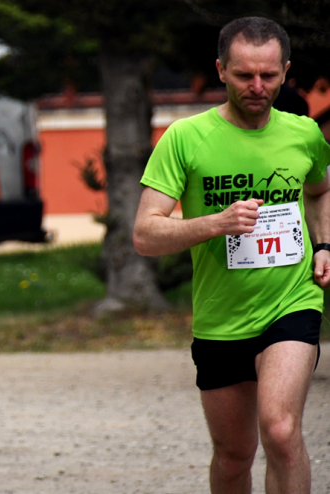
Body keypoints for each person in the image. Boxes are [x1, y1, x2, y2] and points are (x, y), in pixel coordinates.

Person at [133, 17, 330, 494]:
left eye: (268, 75)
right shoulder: (185, 138)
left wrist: (324, 244)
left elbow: (321, 191)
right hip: (221, 316)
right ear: (221, 71)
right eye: (244, 75)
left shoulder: (304, 134)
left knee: (281, 431)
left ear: (285, 71)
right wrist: (215, 223)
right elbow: (145, 234)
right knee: (233, 454)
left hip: (291, 301)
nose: (257, 87)